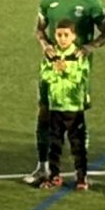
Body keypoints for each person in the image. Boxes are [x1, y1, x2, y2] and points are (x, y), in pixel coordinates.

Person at [30, 0, 105, 185]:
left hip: (76, 73)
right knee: (44, 113)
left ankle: (80, 172)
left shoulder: (90, 2)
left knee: (75, 123)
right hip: (52, 69)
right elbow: (39, 30)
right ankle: (44, 166)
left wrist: (86, 49)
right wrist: (45, 46)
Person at [37, 21, 90, 188]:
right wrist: (56, 72)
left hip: (74, 107)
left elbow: (82, 77)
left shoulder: (79, 54)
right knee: (55, 144)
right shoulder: (50, 54)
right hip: (56, 106)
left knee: (77, 145)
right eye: (59, 35)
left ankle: (81, 177)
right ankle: (55, 175)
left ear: (73, 36)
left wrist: (65, 70)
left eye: (66, 35)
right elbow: (44, 75)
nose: (63, 38)